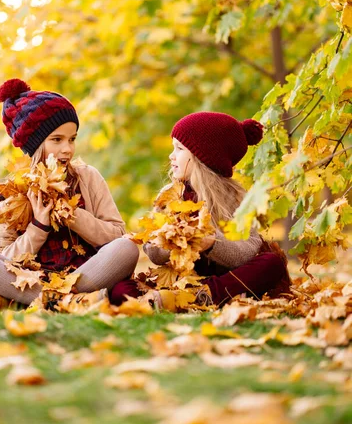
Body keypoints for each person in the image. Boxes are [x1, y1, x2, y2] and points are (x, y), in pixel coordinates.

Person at [0, 78, 139, 307]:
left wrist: (74, 216)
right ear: (35, 145)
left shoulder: (88, 178)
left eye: (72, 139)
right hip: (33, 280)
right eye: (57, 140)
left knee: (127, 248)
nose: (67, 149)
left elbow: (116, 236)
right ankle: (64, 302)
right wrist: (38, 228)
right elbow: (6, 258)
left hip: (84, 275)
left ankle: (42, 302)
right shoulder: (11, 192)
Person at [110, 111, 291, 308]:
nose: (171, 156)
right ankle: (177, 300)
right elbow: (153, 254)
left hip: (223, 278)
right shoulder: (171, 194)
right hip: (179, 281)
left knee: (272, 263)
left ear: (203, 157)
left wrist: (212, 244)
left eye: (179, 148)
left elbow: (248, 250)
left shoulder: (235, 198)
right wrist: (170, 239)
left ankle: (204, 296)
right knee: (121, 290)